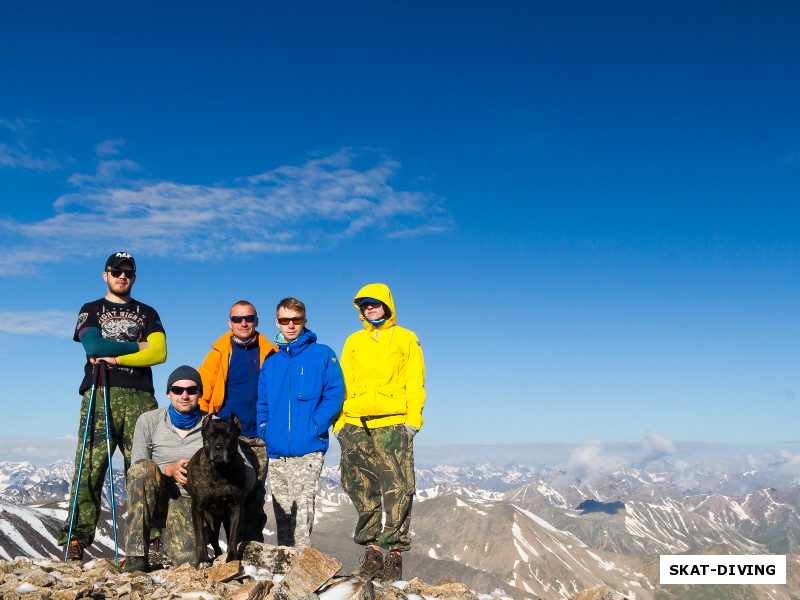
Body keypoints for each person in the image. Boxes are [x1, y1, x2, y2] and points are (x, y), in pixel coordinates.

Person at [58, 252, 167, 561]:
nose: (122, 276)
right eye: (116, 271)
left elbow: (159, 353)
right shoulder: (91, 309)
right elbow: (93, 346)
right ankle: (76, 537)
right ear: (104, 274)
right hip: (100, 392)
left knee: (145, 468)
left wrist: (117, 356)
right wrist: (137, 346)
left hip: (140, 397)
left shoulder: (147, 312)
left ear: (134, 277)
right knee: (90, 466)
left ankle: (154, 537)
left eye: (128, 272)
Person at [123, 365, 256, 572]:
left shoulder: (213, 425)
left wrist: (230, 464)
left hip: (188, 504)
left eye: (191, 390)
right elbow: (136, 466)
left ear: (200, 393)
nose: (184, 395)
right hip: (155, 498)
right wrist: (167, 470)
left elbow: (245, 470)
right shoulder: (148, 421)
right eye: (177, 390)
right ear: (168, 393)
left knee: (190, 560)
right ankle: (136, 555)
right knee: (142, 470)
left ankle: (171, 542)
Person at [334, 283, 425, 582]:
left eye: (374, 303)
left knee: (399, 489)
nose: (369, 308)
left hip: (393, 423)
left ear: (387, 304)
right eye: (363, 304)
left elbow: (416, 381)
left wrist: (412, 422)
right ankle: (372, 553)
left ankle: (394, 556)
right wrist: (340, 424)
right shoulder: (353, 341)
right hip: (356, 424)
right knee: (360, 487)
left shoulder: (406, 338)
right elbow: (342, 383)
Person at [257, 297, 344, 548]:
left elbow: (334, 394)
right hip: (276, 448)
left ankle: (301, 562)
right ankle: (285, 559)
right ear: (277, 323)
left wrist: (315, 426)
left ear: (305, 321)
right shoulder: (272, 362)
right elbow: (263, 401)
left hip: (308, 446)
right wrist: (265, 429)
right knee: (281, 507)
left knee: (302, 505)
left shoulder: (322, 354)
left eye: (296, 320)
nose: (291, 325)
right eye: (285, 320)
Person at [197, 300, 277, 543]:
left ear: (256, 321)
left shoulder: (270, 353)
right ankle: (218, 549)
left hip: (261, 436)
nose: (244, 323)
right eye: (238, 319)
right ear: (229, 322)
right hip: (230, 438)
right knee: (226, 493)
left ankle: (251, 550)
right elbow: (203, 391)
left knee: (255, 496)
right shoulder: (219, 353)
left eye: (249, 318)